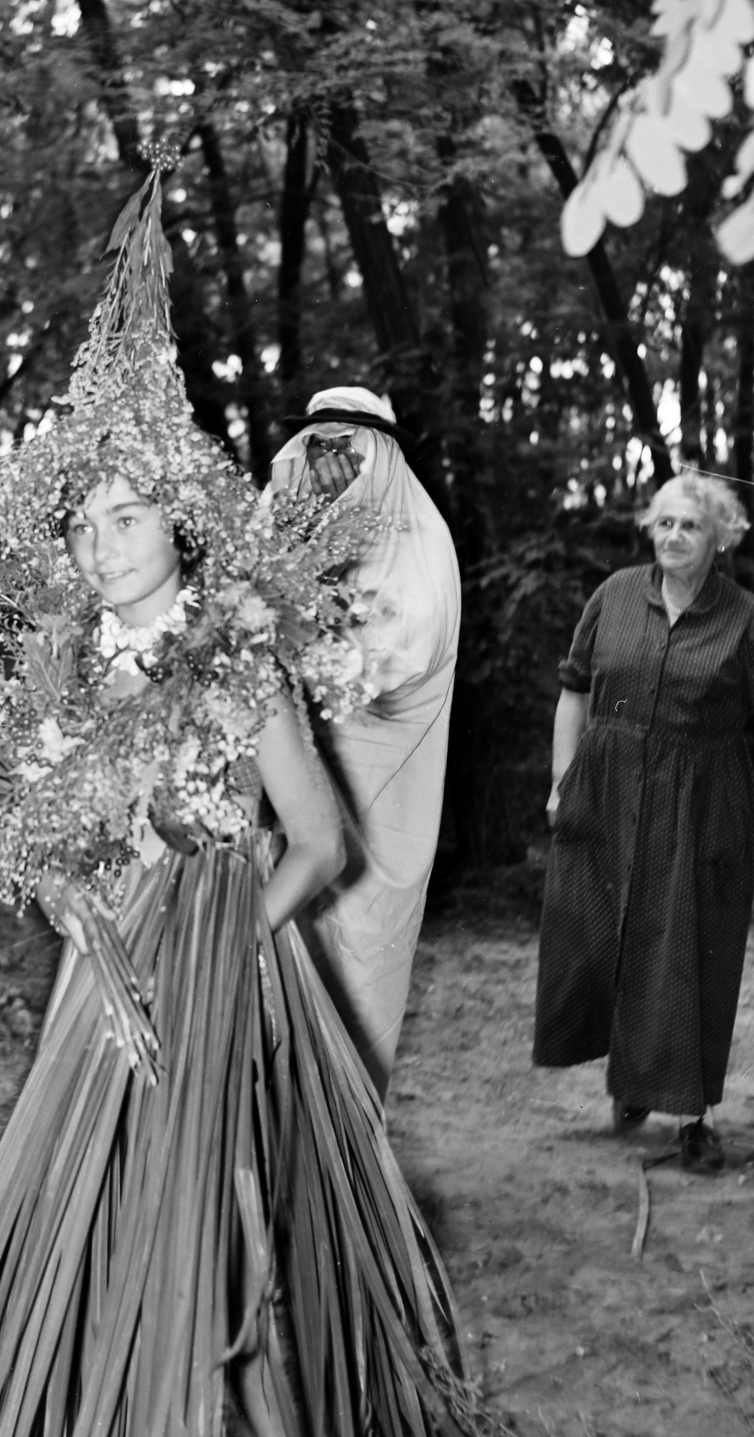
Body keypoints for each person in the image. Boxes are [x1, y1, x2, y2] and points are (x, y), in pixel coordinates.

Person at [0, 164, 477, 1437]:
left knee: (212, 1208)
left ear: (181, 520)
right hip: (98, 982)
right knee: (76, 1192)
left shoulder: (234, 657)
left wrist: (225, 932)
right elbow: (33, 838)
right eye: (85, 524)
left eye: (129, 513)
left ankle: (221, 1402)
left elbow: (320, 844)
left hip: (214, 972)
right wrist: (66, 894)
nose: (104, 544)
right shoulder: (55, 669)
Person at [534, 470, 754, 1175]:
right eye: (665, 523)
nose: (675, 535)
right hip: (607, 786)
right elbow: (573, 692)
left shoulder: (745, 617)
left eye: (691, 525)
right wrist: (562, 781)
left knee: (689, 949)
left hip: (703, 798)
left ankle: (692, 1114)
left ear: (720, 537)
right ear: (649, 530)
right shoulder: (613, 596)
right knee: (605, 935)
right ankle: (632, 1080)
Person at [270, 387, 461, 1093]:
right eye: (316, 449)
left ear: (380, 457)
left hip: (377, 823)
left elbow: (367, 674)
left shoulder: (418, 552)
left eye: (346, 451)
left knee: (350, 990)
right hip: (292, 817)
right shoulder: (301, 530)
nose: (328, 467)